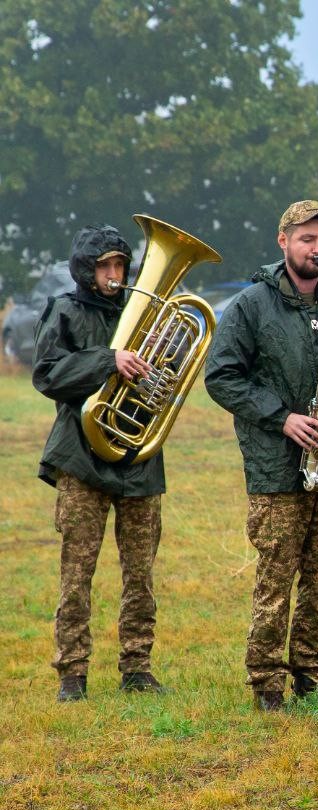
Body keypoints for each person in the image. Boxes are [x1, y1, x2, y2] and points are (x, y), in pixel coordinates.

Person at [204, 200, 318, 712]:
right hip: (276, 465)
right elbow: (221, 377)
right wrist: (281, 417)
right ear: (283, 241)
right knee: (277, 580)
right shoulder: (251, 305)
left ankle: (312, 674)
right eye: (308, 240)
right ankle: (265, 681)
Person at [32, 225, 170, 702]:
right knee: (77, 572)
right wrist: (108, 360)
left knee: (141, 574)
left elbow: (167, 379)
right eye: (105, 266)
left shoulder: (150, 314)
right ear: (85, 270)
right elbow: (48, 374)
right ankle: (72, 672)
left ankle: (137, 666)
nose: (115, 275)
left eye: (120, 266)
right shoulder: (65, 310)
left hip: (140, 456)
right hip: (81, 458)